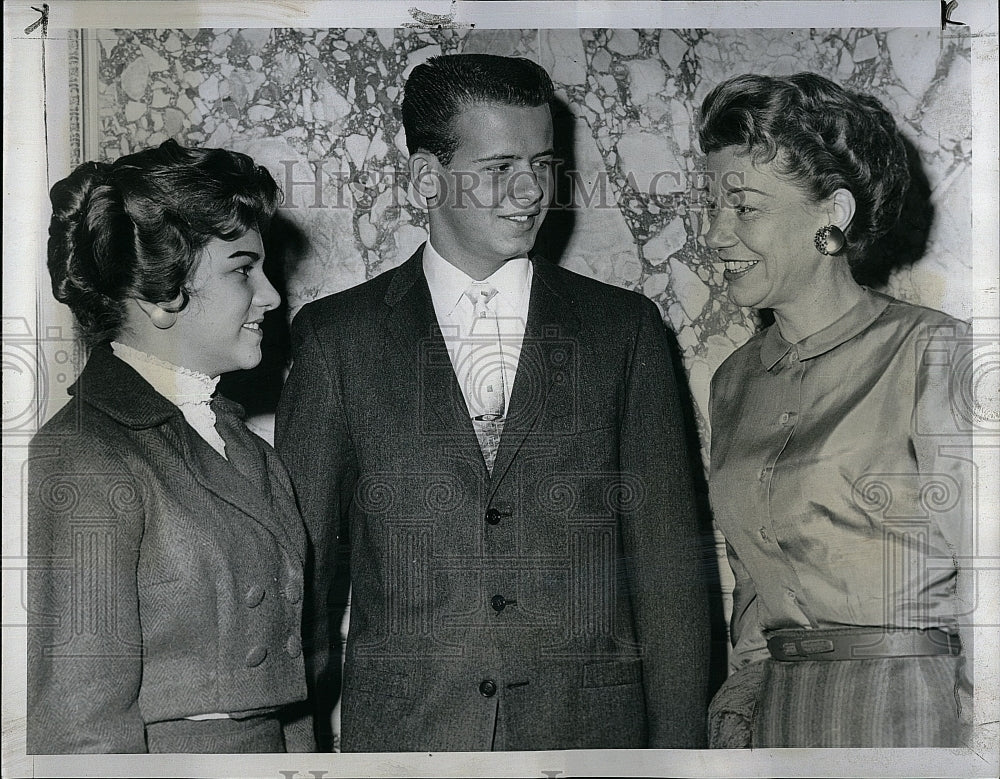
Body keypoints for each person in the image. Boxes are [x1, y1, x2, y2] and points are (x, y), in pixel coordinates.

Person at [276, 53, 710, 751]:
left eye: (542, 164)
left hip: (591, 739)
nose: (529, 190)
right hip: (408, 744)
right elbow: (304, 587)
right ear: (426, 176)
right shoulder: (336, 340)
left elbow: (670, 579)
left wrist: (679, 759)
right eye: (499, 167)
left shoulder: (621, 330)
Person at [700, 73, 974, 747]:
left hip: (914, 712)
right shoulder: (734, 380)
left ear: (834, 213)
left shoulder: (931, 352)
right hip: (781, 716)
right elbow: (755, 597)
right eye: (711, 207)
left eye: (745, 208)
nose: (715, 235)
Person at [27, 140, 313, 753]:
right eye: (242, 269)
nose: (270, 295)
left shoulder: (248, 447)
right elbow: (81, 729)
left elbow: (289, 699)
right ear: (160, 297)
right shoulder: (87, 453)